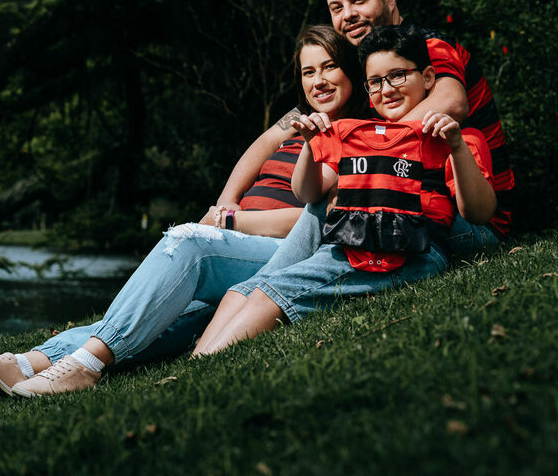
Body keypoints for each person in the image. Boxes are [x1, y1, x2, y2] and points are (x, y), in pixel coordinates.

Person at [0, 24, 367, 400]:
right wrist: (224, 201)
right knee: (170, 313)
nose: (318, 80)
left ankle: (87, 365)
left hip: (274, 249)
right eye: (308, 71)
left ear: (349, 70)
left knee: (189, 245)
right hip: (236, 241)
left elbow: (317, 217)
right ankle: (26, 364)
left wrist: (227, 223)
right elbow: (252, 154)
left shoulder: (360, 134)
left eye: (329, 67)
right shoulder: (297, 120)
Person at [190, 24, 497, 355]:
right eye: (376, 82)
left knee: (270, 294)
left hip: (407, 250)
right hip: (351, 240)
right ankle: (198, 361)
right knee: (252, 289)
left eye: (398, 76)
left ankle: (201, 368)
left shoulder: (455, 139)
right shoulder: (358, 135)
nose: (387, 89)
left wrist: (456, 148)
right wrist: (310, 146)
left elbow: (479, 213)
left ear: (427, 78)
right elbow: (308, 195)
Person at [223, 0, 513, 255]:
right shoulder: (363, 69)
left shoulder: (426, 46)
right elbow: (274, 134)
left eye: (359, 0)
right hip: (413, 203)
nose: (348, 14)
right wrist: (226, 200)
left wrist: (368, 154)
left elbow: (451, 103)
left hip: (470, 220)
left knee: (342, 209)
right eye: (337, 8)